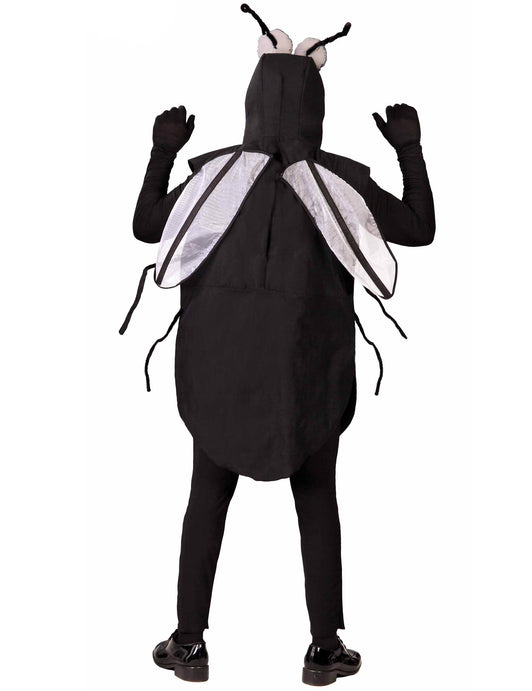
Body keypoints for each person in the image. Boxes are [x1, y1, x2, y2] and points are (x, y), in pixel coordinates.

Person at [125, 5, 435, 684]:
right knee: (316, 498)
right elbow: (418, 229)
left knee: (207, 498)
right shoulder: (342, 183)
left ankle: (188, 643)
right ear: (316, 102)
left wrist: (162, 151)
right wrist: (408, 150)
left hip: (219, 372)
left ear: (252, 94)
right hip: (308, 374)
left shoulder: (211, 177)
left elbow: (148, 226)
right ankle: (324, 647)